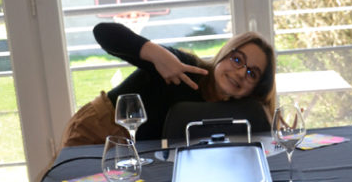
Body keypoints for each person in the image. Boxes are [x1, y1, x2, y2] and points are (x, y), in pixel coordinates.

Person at [59, 22, 277, 146]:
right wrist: (155, 53)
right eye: (237, 59)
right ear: (224, 54)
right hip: (102, 126)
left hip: (142, 150)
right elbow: (103, 32)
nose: (240, 72)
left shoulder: (239, 112)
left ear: (256, 87)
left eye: (252, 73)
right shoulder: (183, 67)